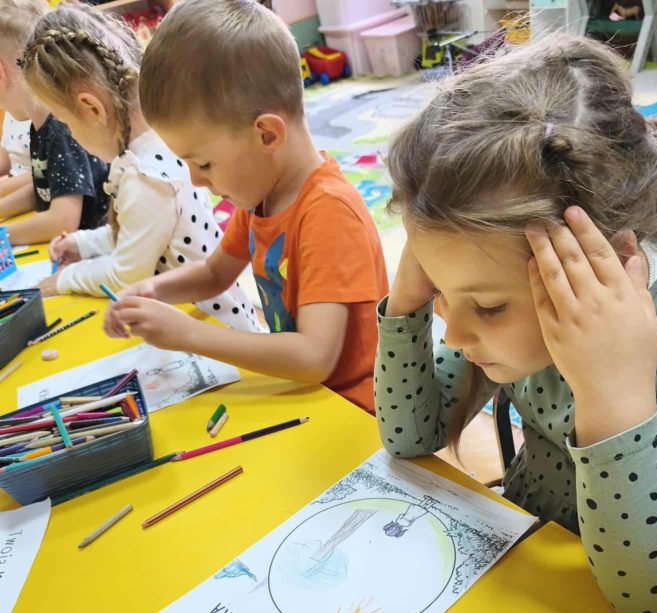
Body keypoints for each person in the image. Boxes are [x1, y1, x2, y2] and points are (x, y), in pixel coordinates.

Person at [376, 35, 657, 613]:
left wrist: (611, 388)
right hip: (541, 566)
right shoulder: (510, 303)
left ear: (590, 262)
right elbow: (411, 436)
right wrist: (408, 298)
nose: (452, 331)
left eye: (487, 306)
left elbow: (650, 594)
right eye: (440, 292)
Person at [104, 0, 387, 414]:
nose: (195, 181)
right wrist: (152, 290)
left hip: (355, 412)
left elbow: (315, 357)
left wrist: (188, 334)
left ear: (267, 135)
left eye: (204, 164)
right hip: (304, 394)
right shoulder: (262, 196)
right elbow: (214, 273)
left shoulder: (329, 212)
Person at [19, 4, 256, 329]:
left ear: (92, 108)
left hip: (211, 335)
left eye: (65, 122)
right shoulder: (156, 145)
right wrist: (83, 244)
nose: (69, 133)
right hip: (197, 324)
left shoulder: (146, 177)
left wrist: (65, 279)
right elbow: (140, 234)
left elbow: (126, 276)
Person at [0, 0, 109, 245]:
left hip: (92, 252)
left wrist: (3, 235)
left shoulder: (60, 127)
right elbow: (46, 188)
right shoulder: (40, 124)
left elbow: (63, 220)